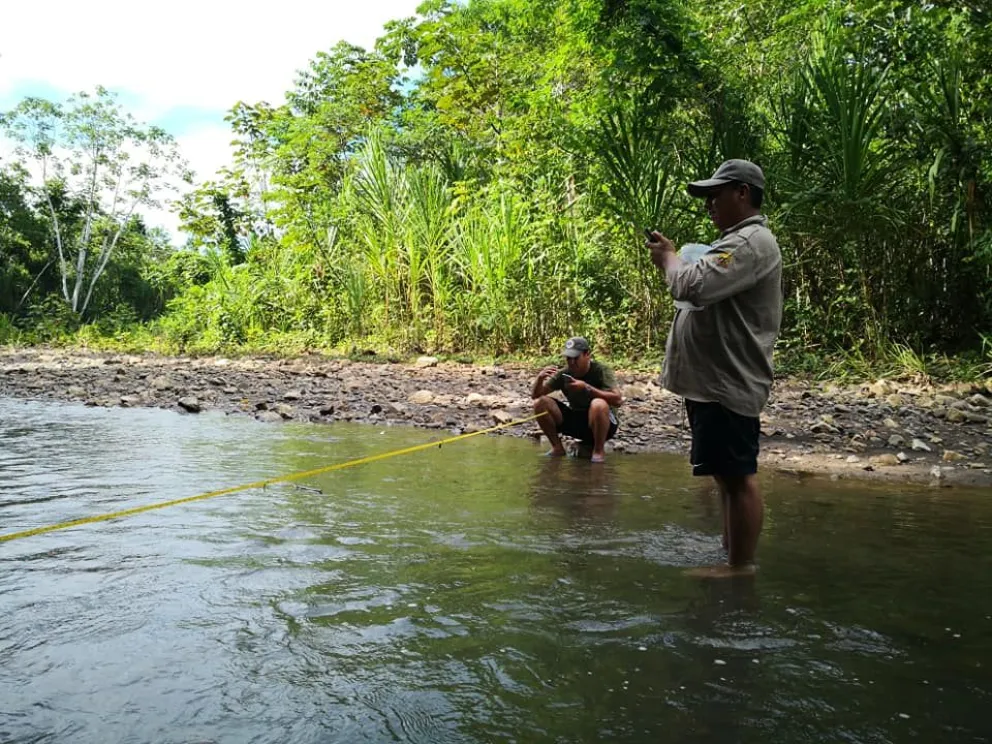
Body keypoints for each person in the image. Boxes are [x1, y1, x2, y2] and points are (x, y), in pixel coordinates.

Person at [645, 159, 782, 576]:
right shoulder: (736, 243)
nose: (709, 205)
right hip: (715, 382)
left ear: (742, 192)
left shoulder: (750, 243)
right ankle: (732, 555)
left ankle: (739, 567)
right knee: (726, 475)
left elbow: (691, 285)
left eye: (715, 195)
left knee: (738, 476)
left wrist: (668, 258)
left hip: (728, 381)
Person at [531, 337, 623, 463]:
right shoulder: (564, 374)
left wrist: (587, 388)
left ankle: (598, 450)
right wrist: (540, 379)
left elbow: (618, 400)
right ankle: (557, 448)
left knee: (598, 404)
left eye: (576, 358)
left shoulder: (601, 370)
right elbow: (536, 395)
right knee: (540, 403)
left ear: (587, 355)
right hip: (577, 421)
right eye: (569, 358)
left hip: (602, 423)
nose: (572, 362)